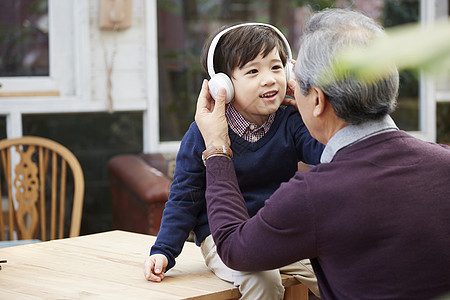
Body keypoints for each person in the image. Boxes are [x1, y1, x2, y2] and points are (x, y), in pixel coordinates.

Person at [194, 8, 450, 300]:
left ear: (317, 100)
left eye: (294, 79)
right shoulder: (445, 164)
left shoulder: (313, 197)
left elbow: (234, 249)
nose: (286, 86)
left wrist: (216, 148)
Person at [143, 23, 324, 299]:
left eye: (276, 68)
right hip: (222, 237)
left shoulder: (291, 122)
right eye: (253, 71)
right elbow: (184, 196)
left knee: (332, 271)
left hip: (276, 230)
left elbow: (328, 155)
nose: (269, 79)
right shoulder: (202, 132)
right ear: (223, 85)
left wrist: (313, 111)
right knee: (265, 281)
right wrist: (163, 250)